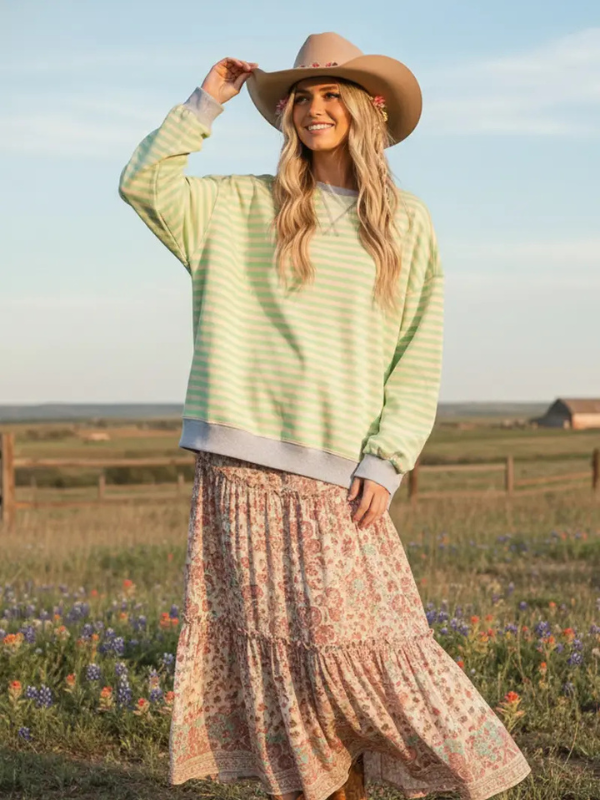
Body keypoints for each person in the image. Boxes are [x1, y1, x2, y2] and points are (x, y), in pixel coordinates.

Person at [118, 31, 531, 800]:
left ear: (368, 109)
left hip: (338, 474)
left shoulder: (406, 222)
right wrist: (207, 98)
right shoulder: (240, 204)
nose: (313, 107)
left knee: (362, 647)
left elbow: (418, 350)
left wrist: (389, 456)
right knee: (283, 665)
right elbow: (143, 183)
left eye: (331, 92)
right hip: (236, 467)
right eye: (301, 97)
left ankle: (443, 775)